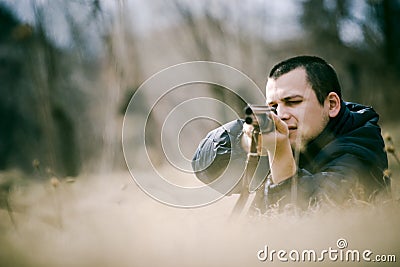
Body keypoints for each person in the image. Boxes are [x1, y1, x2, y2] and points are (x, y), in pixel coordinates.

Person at [192, 55, 389, 211]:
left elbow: (308, 216)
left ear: (331, 104)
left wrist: (279, 153)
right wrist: (244, 142)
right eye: (273, 106)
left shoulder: (361, 151)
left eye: (293, 102)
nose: (281, 115)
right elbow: (205, 166)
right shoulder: (301, 136)